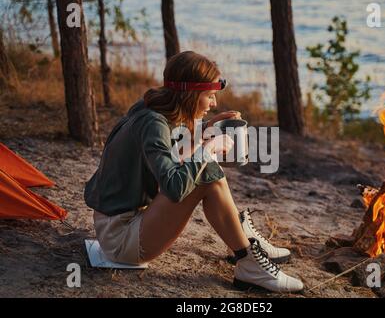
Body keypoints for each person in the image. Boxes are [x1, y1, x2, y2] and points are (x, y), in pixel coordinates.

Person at [84, 51, 304, 293]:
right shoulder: (153, 124)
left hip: (115, 226)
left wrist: (206, 131)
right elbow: (174, 188)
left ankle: (246, 246)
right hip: (121, 240)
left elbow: (171, 157)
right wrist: (208, 149)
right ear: (190, 95)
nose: (214, 103)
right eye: (210, 96)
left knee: (204, 169)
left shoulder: (149, 111)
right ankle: (248, 258)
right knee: (207, 172)